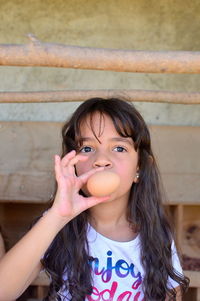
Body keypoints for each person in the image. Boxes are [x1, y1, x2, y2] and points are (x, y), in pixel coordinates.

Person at [0, 98, 189, 301]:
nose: (100, 160)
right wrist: (57, 216)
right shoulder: (57, 226)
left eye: (119, 148)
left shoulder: (156, 234)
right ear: (73, 164)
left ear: (140, 167)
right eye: (87, 149)